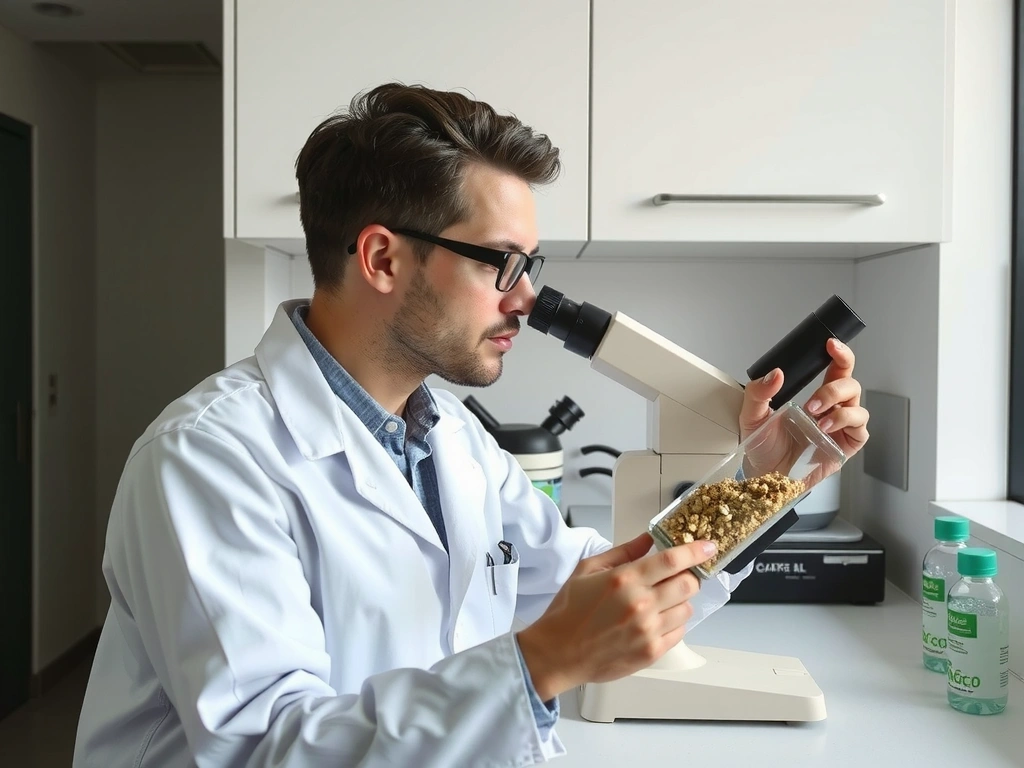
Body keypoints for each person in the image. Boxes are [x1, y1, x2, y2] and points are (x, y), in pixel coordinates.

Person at [73, 83, 870, 767]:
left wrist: (768, 478)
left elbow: (610, 588)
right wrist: (537, 663)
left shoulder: (447, 435)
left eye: (531, 267)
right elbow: (264, 748)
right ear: (382, 259)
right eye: (501, 263)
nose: (525, 298)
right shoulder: (209, 460)